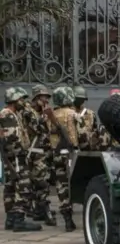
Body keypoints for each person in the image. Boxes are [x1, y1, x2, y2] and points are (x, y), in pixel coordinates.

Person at [0, 87, 43, 232]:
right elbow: (11, 138)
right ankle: (18, 219)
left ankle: (11, 219)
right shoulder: (8, 115)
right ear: (13, 99)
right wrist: (22, 154)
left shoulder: (12, 114)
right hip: (16, 157)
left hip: (12, 157)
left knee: (11, 187)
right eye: (21, 99)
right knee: (24, 186)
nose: (23, 102)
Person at [23, 85, 56, 226]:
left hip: (42, 152)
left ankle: (39, 210)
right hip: (34, 152)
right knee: (41, 183)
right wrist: (45, 116)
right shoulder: (28, 112)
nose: (46, 100)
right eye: (43, 98)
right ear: (36, 98)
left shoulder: (41, 112)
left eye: (47, 98)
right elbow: (37, 128)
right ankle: (45, 212)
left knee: (39, 182)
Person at [48, 87, 80, 232]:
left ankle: (67, 218)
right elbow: (83, 134)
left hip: (57, 153)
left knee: (61, 185)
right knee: (73, 183)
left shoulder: (51, 115)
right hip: (72, 154)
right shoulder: (73, 114)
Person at [73, 86, 99, 151]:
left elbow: (95, 131)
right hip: (72, 146)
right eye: (78, 99)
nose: (80, 101)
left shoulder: (90, 114)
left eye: (81, 99)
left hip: (86, 148)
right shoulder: (69, 112)